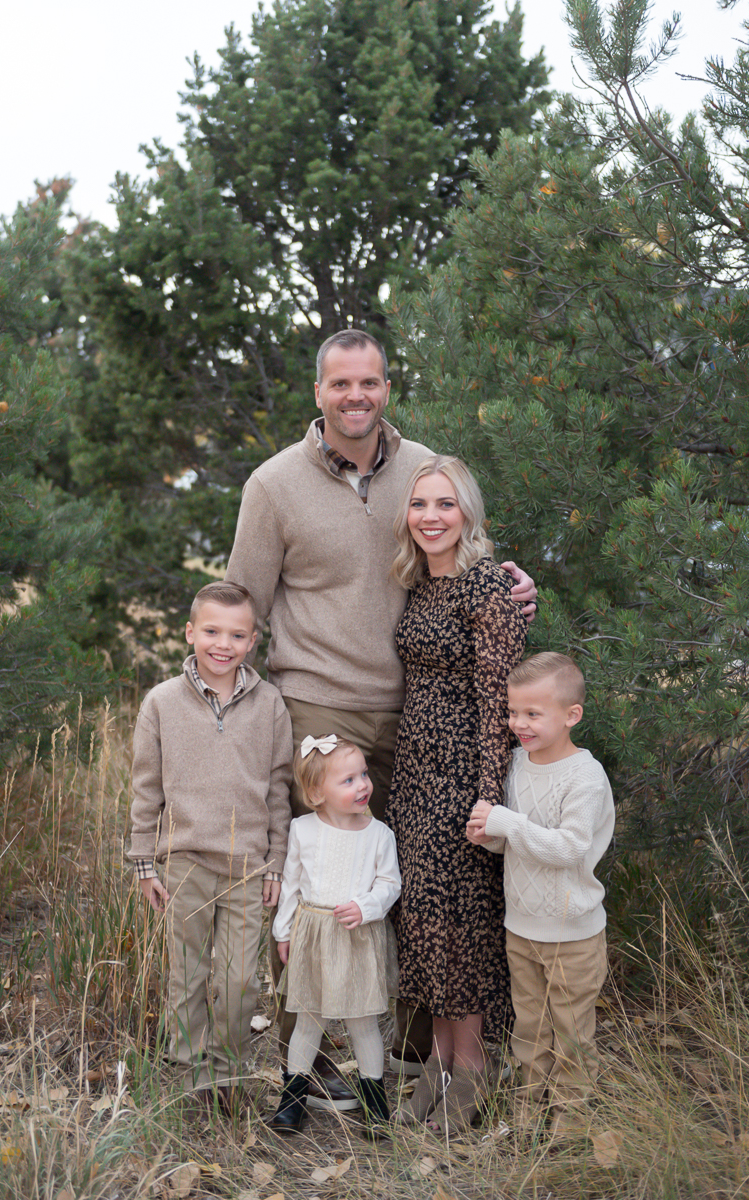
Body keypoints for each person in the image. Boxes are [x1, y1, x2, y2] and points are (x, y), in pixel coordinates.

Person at [225, 328, 538, 1102]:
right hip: (317, 704)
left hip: (419, 714)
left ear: (386, 388)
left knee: (416, 879)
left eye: (368, 382)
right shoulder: (273, 485)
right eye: (340, 384)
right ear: (318, 391)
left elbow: (458, 556)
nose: (355, 396)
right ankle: (306, 1056)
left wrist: (513, 594)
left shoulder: (419, 469)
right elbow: (241, 605)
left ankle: (413, 1049)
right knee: (315, 881)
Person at [387, 455, 528, 1136]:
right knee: (425, 923)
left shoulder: (488, 588)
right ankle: (440, 1059)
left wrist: (488, 798)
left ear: (467, 512)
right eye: (419, 504)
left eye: (445, 504)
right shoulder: (419, 585)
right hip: (413, 777)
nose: (431, 516)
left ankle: (472, 1064)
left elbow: (499, 699)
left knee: (462, 926)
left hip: (463, 779)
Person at [128, 581, 293, 1116]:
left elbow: (278, 789)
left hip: (247, 866)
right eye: (212, 631)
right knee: (188, 974)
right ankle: (192, 1074)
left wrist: (275, 861)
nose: (223, 644)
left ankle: (229, 1073)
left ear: (253, 640)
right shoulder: (161, 703)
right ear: (190, 632)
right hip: (185, 861)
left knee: (240, 980)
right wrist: (144, 862)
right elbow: (146, 789)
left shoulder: (269, 704)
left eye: (237, 635)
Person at [466, 652, 615, 1138]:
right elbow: (519, 839)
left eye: (533, 713)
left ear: (571, 715)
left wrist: (506, 821)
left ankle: (571, 1119)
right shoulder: (515, 764)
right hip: (521, 926)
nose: (519, 723)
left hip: (572, 932)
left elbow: (569, 848)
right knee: (529, 1026)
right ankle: (528, 1108)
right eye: (513, 712)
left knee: (571, 1031)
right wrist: (489, 836)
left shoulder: (585, 777)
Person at [268, 735, 401, 1137]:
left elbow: (390, 884)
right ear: (316, 793)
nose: (362, 785)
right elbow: (291, 886)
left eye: (364, 775)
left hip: (356, 936)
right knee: (308, 1020)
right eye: (348, 780)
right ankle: (292, 1099)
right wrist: (283, 932)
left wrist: (366, 906)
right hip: (313, 936)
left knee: (363, 1023)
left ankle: (375, 1103)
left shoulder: (379, 834)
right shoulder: (302, 830)